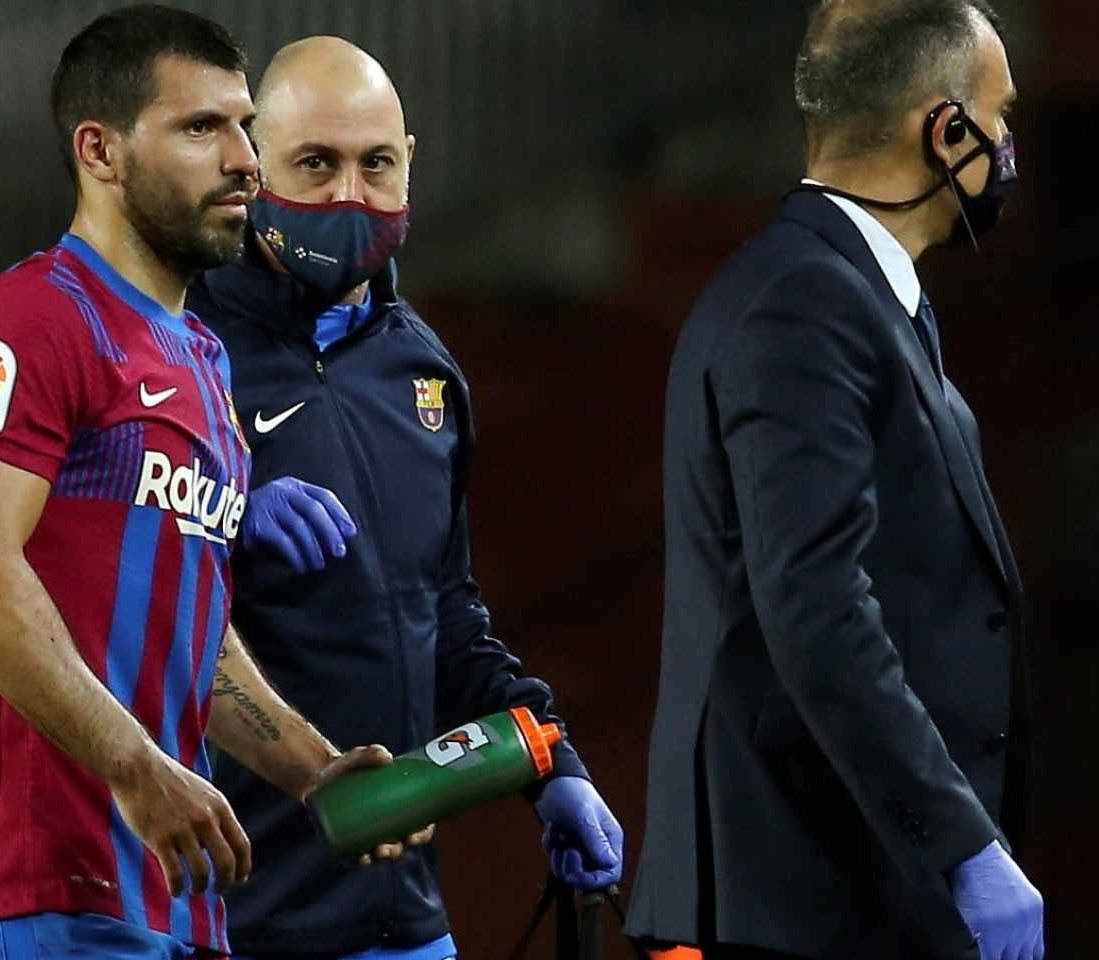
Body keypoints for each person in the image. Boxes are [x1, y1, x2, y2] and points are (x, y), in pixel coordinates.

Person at [0, 8, 405, 959]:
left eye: (244, 127)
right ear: (98, 151)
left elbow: (193, 628)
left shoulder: (202, 360)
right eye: (199, 129)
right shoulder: (31, 321)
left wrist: (313, 770)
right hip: (39, 889)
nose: (244, 162)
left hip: (170, 894)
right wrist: (138, 770)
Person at [187, 36, 623, 960]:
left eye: (376, 164)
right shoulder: (179, 347)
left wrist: (553, 767)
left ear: (411, 163)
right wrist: (222, 508)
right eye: (316, 163)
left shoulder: (426, 371)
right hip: (231, 921)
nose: (351, 195)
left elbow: (447, 614)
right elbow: (103, 586)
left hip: (406, 922)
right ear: (254, 164)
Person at [625, 2, 1042, 958]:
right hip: (801, 901)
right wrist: (963, 845)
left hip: (838, 894)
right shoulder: (808, 304)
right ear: (945, 130)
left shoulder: (846, 294)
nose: (1009, 144)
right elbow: (815, 604)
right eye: (999, 116)